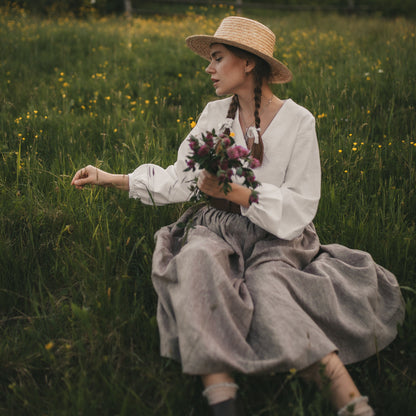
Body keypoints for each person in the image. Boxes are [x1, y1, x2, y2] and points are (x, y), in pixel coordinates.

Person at [71, 16, 405, 416]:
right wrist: (110, 178)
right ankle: (222, 402)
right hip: (218, 227)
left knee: (270, 291)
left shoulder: (299, 122)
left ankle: (351, 405)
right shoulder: (214, 116)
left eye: (217, 58)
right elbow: (181, 179)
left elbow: (300, 203)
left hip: (276, 237)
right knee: (196, 263)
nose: (208, 68)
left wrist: (237, 191)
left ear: (248, 63)